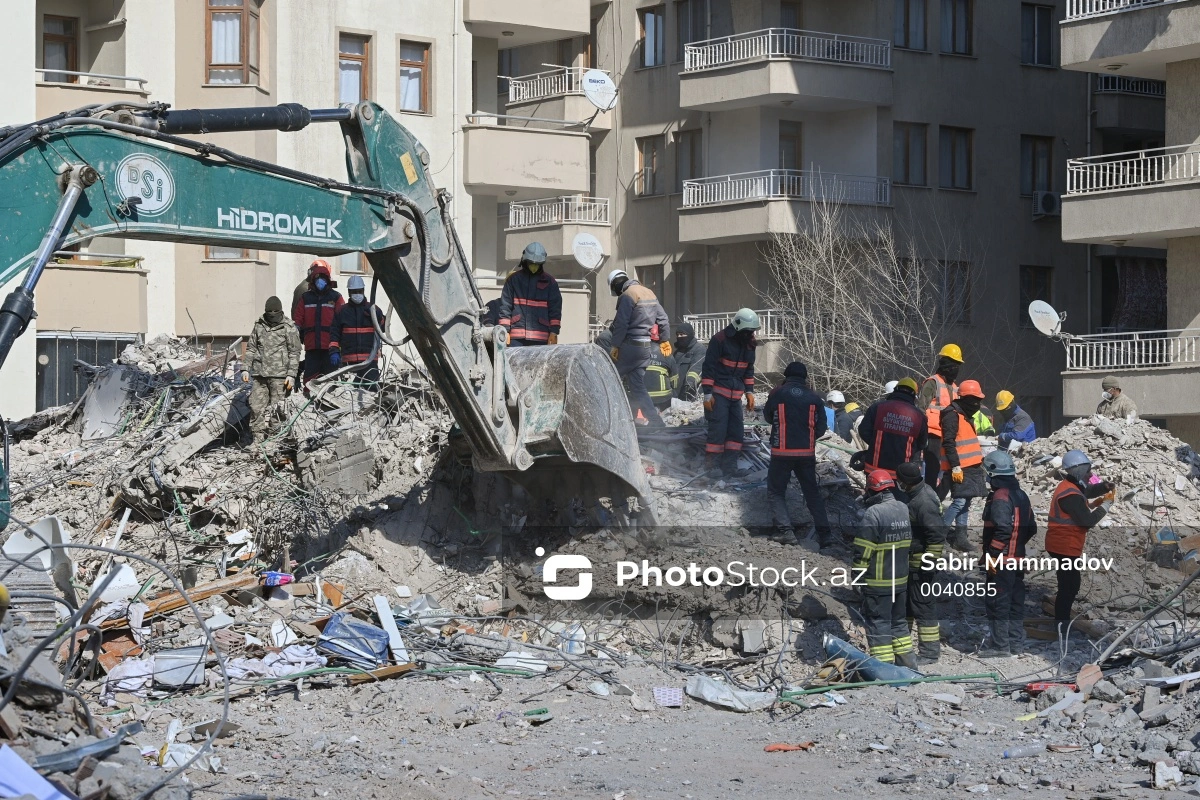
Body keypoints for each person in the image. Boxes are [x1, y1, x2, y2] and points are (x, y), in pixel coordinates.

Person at [1045, 450, 1115, 649]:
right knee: (1069, 587)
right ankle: (1061, 628)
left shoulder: (1071, 485)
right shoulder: (1070, 495)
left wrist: (1103, 488)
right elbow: (1087, 521)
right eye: (1087, 470)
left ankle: (1062, 624)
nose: (1089, 473)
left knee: (1069, 585)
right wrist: (1106, 506)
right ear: (1078, 470)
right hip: (1064, 546)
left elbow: (1086, 491)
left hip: (1062, 544)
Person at [763, 362, 833, 548]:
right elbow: (820, 428)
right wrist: (807, 439)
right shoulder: (815, 397)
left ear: (786, 376)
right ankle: (825, 534)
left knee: (776, 491)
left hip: (781, 452)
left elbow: (768, 417)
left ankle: (786, 531)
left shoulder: (777, 393)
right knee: (812, 493)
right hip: (806, 453)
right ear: (805, 378)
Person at [854, 470, 916, 668]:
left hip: (878, 582)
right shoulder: (903, 508)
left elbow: (864, 549)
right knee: (898, 623)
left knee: (879, 624)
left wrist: (857, 575)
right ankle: (907, 665)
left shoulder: (874, 513)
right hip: (900, 581)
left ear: (873, 491)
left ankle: (884, 669)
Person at [979, 450, 1037, 658]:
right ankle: (1015, 644)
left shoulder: (1000, 496)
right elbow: (1031, 528)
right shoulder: (1021, 495)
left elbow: (1003, 529)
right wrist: (1017, 546)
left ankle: (1000, 647)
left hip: (1001, 561)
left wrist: (992, 554)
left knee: (998, 603)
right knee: (1014, 602)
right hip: (1017, 560)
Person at [896, 461, 946, 663]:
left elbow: (936, 536)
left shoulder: (923, 501)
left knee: (923, 607)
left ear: (906, 482)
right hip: (911, 563)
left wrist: (928, 564)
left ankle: (929, 653)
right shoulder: (916, 493)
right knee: (908, 606)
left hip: (921, 564)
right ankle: (905, 648)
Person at [608, 269, 671, 427]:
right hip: (645, 349)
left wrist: (615, 345)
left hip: (630, 346)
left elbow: (621, 323)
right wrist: (664, 339)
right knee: (638, 388)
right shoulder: (650, 293)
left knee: (608, 378)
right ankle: (657, 423)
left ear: (616, 284)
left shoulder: (627, 295)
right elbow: (663, 318)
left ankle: (610, 422)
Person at [701, 308, 758, 477]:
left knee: (736, 432)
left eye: (752, 331)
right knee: (718, 430)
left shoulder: (749, 343)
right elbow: (709, 367)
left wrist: (749, 392)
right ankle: (712, 467)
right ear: (738, 327)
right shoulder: (720, 340)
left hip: (736, 396)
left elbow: (748, 369)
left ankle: (730, 467)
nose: (750, 334)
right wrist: (707, 394)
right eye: (748, 331)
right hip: (719, 394)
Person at [243, 296, 301, 444]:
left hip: (280, 376)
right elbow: (251, 348)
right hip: (259, 374)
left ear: (281, 310)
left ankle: (276, 440)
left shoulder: (288, 327)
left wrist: (291, 375)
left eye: (276, 311)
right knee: (256, 407)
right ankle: (257, 440)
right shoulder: (259, 325)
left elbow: (294, 352)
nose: (272, 314)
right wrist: (245, 368)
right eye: (270, 311)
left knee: (279, 409)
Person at [939, 379, 987, 552]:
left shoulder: (963, 414)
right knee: (959, 502)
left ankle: (960, 539)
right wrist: (955, 466)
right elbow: (949, 442)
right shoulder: (952, 414)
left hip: (971, 466)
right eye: (974, 399)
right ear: (964, 398)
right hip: (960, 467)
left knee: (965, 502)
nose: (977, 403)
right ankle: (939, 535)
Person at [856, 378, 928, 478]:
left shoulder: (877, 407)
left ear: (895, 390)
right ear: (914, 395)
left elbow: (864, 431)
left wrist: (877, 444)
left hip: (874, 469)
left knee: (873, 492)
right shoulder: (919, 416)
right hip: (901, 474)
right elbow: (922, 443)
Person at [498, 243, 562, 347]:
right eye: (532, 263)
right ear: (525, 261)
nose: (534, 267)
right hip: (517, 336)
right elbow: (505, 307)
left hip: (540, 337)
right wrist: (504, 330)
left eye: (537, 264)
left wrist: (554, 332)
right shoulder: (513, 280)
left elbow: (555, 309)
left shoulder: (550, 282)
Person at [919, 344, 964, 490]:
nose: (955, 368)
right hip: (934, 434)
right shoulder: (933, 382)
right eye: (953, 364)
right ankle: (930, 495)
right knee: (932, 468)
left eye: (958, 365)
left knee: (949, 468)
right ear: (945, 364)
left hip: (949, 435)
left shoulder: (955, 387)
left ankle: (939, 496)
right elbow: (921, 408)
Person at [291, 259, 344, 382]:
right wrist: (296, 331)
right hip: (312, 346)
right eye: (318, 278)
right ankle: (310, 399)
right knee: (310, 380)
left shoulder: (336, 297)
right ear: (313, 280)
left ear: (328, 280)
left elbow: (343, 319)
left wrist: (339, 346)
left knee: (331, 381)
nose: (321, 281)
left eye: (323, 279)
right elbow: (298, 317)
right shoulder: (306, 297)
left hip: (330, 347)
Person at [330, 275, 386, 385]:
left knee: (371, 393)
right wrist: (334, 351)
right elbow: (334, 334)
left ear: (363, 291)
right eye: (354, 291)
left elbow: (383, 328)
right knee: (348, 395)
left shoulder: (373, 310)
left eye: (359, 291)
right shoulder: (342, 311)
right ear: (349, 292)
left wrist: (379, 317)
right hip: (348, 363)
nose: (357, 294)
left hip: (370, 363)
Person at [673, 322, 705, 400]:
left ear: (690, 335)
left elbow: (697, 368)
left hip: (691, 393)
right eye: (678, 335)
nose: (679, 337)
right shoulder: (677, 352)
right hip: (676, 393)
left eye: (682, 334)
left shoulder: (699, 349)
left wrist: (689, 383)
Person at [645, 342, 679, 410]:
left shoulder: (635, 351)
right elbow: (674, 379)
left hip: (640, 397)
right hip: (662, 398)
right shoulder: (666, 353)